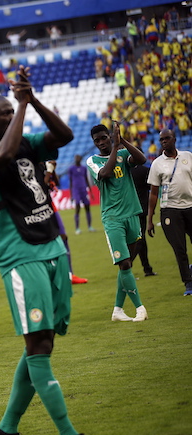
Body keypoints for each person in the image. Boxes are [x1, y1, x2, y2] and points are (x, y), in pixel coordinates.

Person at [0, 66, 97, 435]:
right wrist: (21, 106)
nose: (10, 115)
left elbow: (66, 136)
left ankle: (6, 430)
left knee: (43, 342)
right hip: (20, 258)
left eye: (12, 110)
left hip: (52, 249)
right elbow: (3, 153)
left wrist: (32, 99)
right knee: (38, 342)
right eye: (3, 112)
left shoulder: (30, 143)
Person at [87, 122, 149, 322]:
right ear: (94, 143)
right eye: (97, 140)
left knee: (127, 264)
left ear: (108, 136)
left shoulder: (122, 153)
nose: (101, 142)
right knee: (124, 263)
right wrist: (115, 147)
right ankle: (140, 308)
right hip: (112, 218)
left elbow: (141, 158)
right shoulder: (93, 161)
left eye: (104, 137)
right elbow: (104, 174)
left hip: (132, 214)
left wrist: (122, 141)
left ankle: (117, 310)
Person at [147, 129, 192, 295]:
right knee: (180, 248)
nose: (164, 141)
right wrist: (150, 219)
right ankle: (188, 283)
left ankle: (190, 270)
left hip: (190, 206)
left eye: (167, 138)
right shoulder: (157, 163)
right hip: (170, 210)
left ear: (174, 139)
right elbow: (153, 193)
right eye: (161, 139)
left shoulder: (188, 156)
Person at [44, 161, 88, 285]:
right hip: (38, 209)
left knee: (63, 236)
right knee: (44, 242)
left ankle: (69, 274)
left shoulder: (43, 165)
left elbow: (55, 183)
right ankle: (48, 277)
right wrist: (48, 170)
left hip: (51, 206)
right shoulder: (31, 166)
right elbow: (42, 185)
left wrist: (53, 169)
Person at [131, 162, 156, 277]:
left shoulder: (126, 171)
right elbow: (152, 187)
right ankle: (127, 264)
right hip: (141, 209)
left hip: (129, 210)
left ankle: (147, 269)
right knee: (140, 240)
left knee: (141, 239)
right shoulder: (145, 170)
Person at [67, 155, 95, 234]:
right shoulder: (71, 169)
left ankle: (90, 227)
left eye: (78, 158)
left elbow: (87, 180)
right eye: (76, 158)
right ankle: (77, 228)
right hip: (76, 190)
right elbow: (70, 182)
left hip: (83, 190)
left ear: (81, 159)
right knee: (77, 207)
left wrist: (91, 192)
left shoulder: (84, 168)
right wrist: (71, 194)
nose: (77, 160)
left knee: (87, 207)